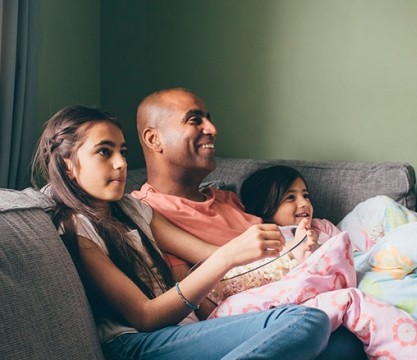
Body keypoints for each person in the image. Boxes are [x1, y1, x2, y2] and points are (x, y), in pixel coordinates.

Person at [31, 105, 332, 360]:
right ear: (69, 165)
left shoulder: (133, 209)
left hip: (178, 331)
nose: (121, 163)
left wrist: (295, 253)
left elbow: (207, 254)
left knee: (337, 338)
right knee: (307, 322)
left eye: (122, 151)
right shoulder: (75, 227)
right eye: (104, 152)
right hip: (134, 343)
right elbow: (145, 316)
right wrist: (227, 256)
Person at [133, 87, 367, 360]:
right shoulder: (146, 212)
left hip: (297, 299)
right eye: (195, 120)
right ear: (154, 138)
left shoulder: (229, 199)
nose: (212, 128)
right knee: (322, 331)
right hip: (246, 319)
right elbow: (191, 299)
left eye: (208, 118)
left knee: (348, 344)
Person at [240, 165, 341, 249]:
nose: (304, 203)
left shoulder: (323, 227)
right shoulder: (264, 238)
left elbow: (352, 254)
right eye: (291, 197)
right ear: (264, 207)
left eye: (305, 195)